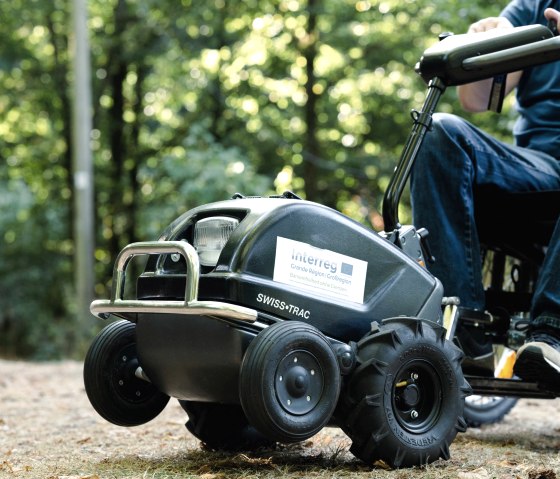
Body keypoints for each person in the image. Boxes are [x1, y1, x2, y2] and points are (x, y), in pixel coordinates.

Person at [410, 0, 560, 390]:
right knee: (438, 132)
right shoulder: (535, 6)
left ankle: (552, 334)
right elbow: (476, 101)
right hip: (539, 168)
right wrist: (484, 44)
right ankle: (463, 334)